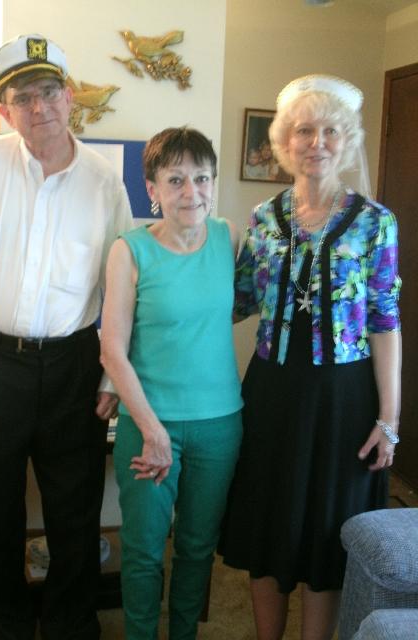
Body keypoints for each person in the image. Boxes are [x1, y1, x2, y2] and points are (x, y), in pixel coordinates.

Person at [0, 34, 133, 640]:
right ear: (5, 111)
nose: (38, 106)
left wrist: (113, 375)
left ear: (70, 97)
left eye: (49, 91)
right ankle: (6, 624)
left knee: (75, 511)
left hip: (74, 368)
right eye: (22, 97)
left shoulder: (104, 182)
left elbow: (124, 286)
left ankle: (72, 623)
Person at [219, 74, 402, 640]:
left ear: (346, 141)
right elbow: (234, 303)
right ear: (284, 142)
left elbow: (385, 322)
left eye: (330, 131)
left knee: (327, 533)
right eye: (303, 131)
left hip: (344, 400)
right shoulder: (262, 219)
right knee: (267, 523)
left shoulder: (375, 222)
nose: (316, 142)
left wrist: (389, 420)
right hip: (271, 393)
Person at [100, 127, 243, 639]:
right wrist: (152, 430)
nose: (192, 192)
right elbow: (113, 349)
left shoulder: (229, 237)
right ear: (152, 189)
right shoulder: (130, 250)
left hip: (220, 425)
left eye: (202, 178)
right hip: (148, 424)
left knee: (198, 549)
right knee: (142, 551)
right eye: (176, 180)